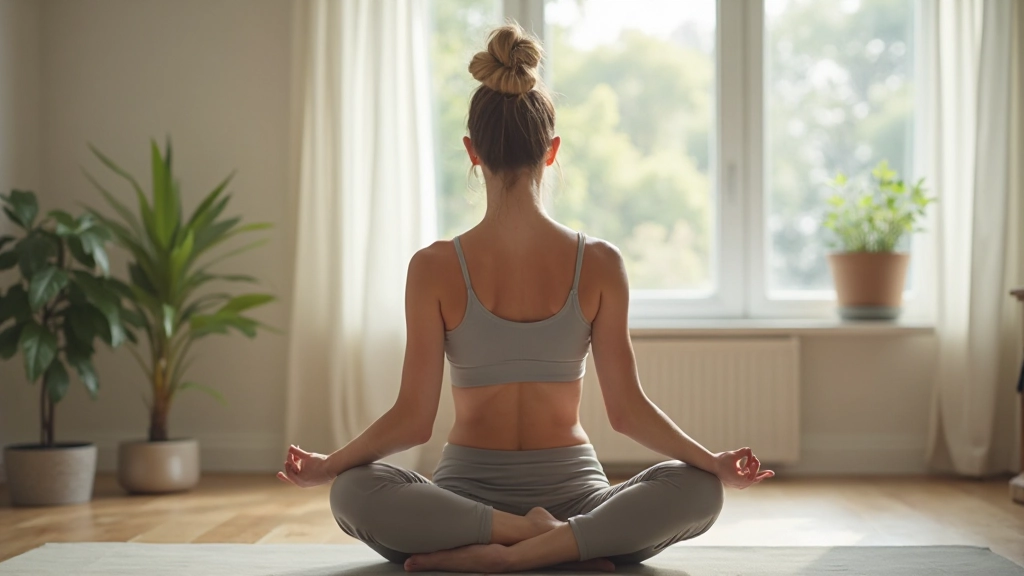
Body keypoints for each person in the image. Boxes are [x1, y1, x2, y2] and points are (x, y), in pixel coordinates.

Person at [277, 22, 774, 574]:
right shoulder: (602, 263)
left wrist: (329, 466)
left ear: (472, 152)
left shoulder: (433, 267)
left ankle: (496, 557)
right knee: (700, 489)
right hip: (572, 508)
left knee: (350, 490)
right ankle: (554, 544)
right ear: (552, 151)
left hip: (464, 507)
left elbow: (412, 421)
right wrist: (713, 463)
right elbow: (628, 412)